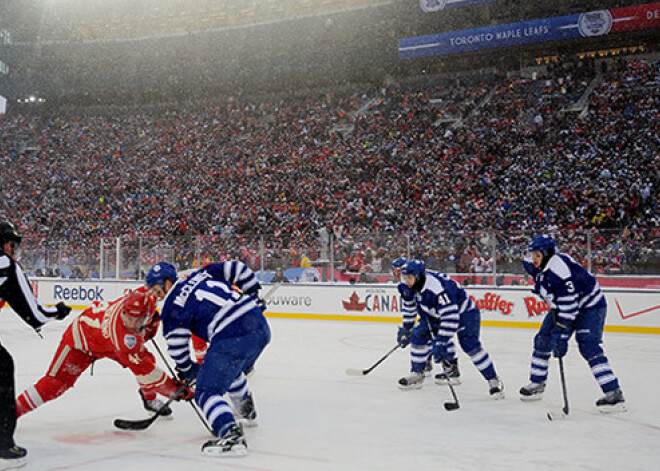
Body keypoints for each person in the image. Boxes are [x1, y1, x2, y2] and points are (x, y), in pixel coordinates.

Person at [145, 260, 270, 457]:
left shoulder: (171, 307)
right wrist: (253, 293)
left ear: (167, 283)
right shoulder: (200, 274)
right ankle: (246, 410)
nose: (154, 294)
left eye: (155, 288)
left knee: (206, 391)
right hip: (260, 327)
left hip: (232, 335)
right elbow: (235, 267)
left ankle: (231, 436)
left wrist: (187, 370)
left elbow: (177, 346)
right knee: (230, 369)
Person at [15, 289, 193, 421]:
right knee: (56, 384)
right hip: (81, 343)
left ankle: (149, 400)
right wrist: (176, 392)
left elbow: (152, 292)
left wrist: (153, 321)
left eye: (137, 320)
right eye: (128, 318)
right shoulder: (124, 339)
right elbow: (147, 371)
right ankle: (10, 412)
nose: (131, 324)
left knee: (145, 361)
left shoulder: (144, 300)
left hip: (104, 341)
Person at [519, 234, 625, 411]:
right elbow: (528, 264)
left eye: (537, 255)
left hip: (590, 307)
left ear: (548, 254)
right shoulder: (538, 263)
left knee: (588, 346)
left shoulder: (559, 272)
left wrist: (561, 331)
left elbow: (570, 308)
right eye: (533, 254)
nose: (534, 259)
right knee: (542, 339)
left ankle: (613, 392)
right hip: (563, 306)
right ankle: (537, 383)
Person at [0, 221, 72, 469]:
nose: (13, 250)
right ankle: (3, 446)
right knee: (3, 367)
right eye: (12, 244)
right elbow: (35, 314)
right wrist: (58, 312)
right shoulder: (7, 265)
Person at [397, 259, 504, 399]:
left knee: (469, 345)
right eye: (404, 278)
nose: (407, 281)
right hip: (434, 314)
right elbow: (409, 307)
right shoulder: (409, 286)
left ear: (419, 276)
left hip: (464, 313)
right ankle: (417, 374)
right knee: (417, 335)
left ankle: (493, 380)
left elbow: (450, 317)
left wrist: (441, 340)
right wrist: (407, 328)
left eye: (409, 278)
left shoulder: (437, 288)